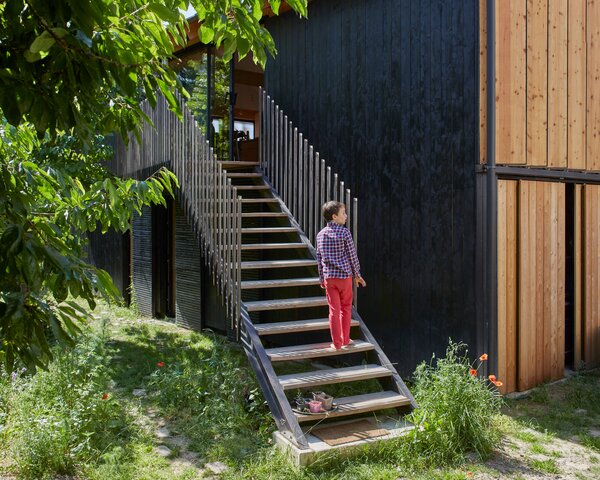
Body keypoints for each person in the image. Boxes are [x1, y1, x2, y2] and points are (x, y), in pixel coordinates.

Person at [316, 201, 367, 350]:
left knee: (333, 310)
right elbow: (352, 256)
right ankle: (345, 339)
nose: (346, 216)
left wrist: (321, 278)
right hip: (344, 277)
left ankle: (336, 343)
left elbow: (319, 259)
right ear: (334, 216)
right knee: (346, 308)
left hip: (329, 278)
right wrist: (357, 274)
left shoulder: (320, 235)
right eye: (343, 213)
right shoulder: (345, 233)